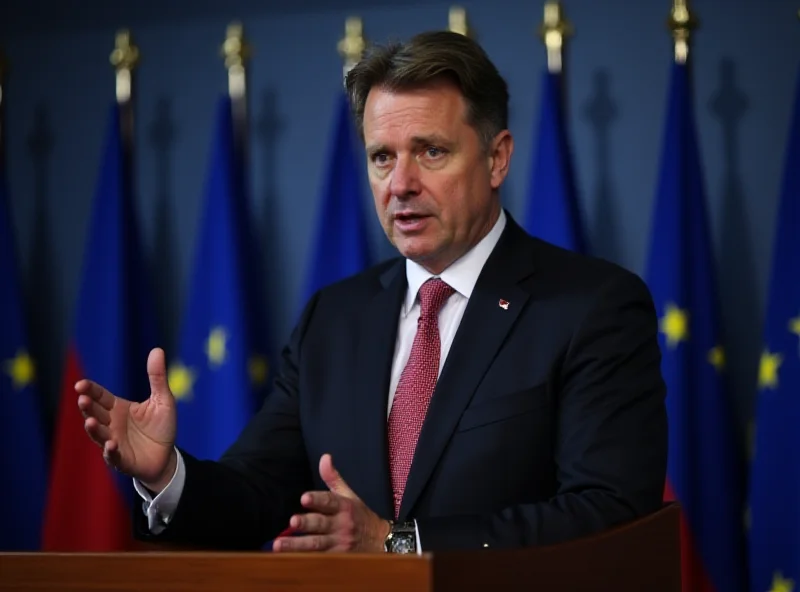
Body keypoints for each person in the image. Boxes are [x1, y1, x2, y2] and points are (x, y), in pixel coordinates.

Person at [77, 30, 667, 554]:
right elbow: (257, 492)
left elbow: (606, 512)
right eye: (382, 157)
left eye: (430, 151)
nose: (401, 184)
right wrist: (166, 475)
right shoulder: (334, 319)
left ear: (496, 158)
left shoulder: (592, 308)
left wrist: (396, 543)